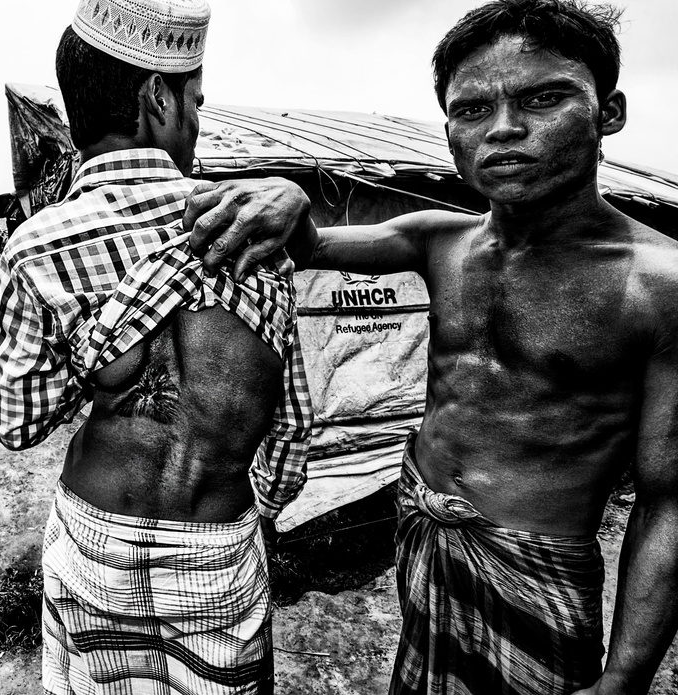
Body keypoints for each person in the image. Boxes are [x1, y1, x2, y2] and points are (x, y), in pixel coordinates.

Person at [183, 1, 678, 693]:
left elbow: (669, 499)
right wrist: (288, 195)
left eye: (544, 97)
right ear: (449, 135)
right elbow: (314, 243)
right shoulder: (438, 240)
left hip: (535, 566)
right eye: (472, 109)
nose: (504, 128)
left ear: (610, 112)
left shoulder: (659, 285)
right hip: (421, 526)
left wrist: (625, 675)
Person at [0, 1, 312, 693]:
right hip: (215, 547)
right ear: (157, 97)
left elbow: (16, 423)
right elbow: (290, 438)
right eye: (194, 100)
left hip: (93, 540)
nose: (195, 119)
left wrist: (95, 359)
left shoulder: (36, 246)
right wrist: (260, 514)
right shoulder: (257, 237)